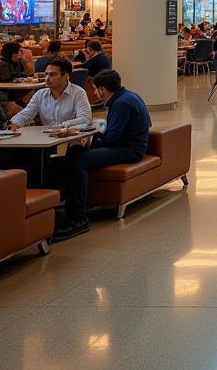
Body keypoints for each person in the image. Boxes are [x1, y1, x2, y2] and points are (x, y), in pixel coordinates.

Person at [51, 69, 152, 241]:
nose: (95, 92)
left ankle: (79, 218)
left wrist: (91, 142)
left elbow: (112, 138)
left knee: (79, 160)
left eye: (96, 89)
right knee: (75, 151)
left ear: (103, 89)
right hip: (129, 145)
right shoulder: (127, 97)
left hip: (129, 150)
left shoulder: (121, 104)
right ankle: (71, 205)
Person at [10, 57, 91, 129]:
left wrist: (62, 126)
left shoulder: (78, 93)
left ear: (66, 76)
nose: (47, 78)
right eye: (46, 74)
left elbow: (85, 119)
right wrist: (15, 123)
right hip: (48, 140)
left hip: (71, 138)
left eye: (52, 75)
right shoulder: (40, 94)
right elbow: (26, 114)